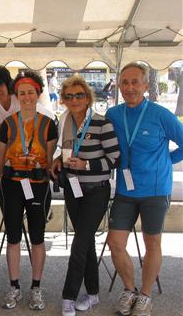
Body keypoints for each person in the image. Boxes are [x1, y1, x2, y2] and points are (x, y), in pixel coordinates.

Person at [105, 62, 183, 316]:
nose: (129, 87)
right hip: (125, 191)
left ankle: (146, 296)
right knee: (115, 243)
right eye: (125, 82)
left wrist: (165, 162)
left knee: (152, 244)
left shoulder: (161, 115)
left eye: (135, 82)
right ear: (119, 85)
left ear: (146, 86)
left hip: (155, 190)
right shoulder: (113, 115)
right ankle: (129, 290)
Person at [50, 76, 120, 316]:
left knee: (79, 244)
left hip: (95, 191)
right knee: (85, 241)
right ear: (63, 100)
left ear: (88, 98)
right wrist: (58, 162)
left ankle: (68, 296)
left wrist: (86, 165)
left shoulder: (102, 123)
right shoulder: (64, 121)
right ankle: (93, 293)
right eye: (68, 96)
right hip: (72, 188)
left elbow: (115, 160)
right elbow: (67, 150)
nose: (74, 100)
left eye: (79, 95)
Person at [0, 71, 58, 311]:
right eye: (21, 93)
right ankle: (14, 286)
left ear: (38, 94)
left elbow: (51, 159)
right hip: (12, 185)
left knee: (37, 237)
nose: (26, 97)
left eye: (30, 92)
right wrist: (6, 177)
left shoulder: (48, 123)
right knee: (13, 237)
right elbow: (1, 160)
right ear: (16, 95)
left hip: (38, 186)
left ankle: (35, 287)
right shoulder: (8, 123)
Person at [0, 66, 55, 182]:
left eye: (0, 84)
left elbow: (28, 139)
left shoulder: (18, 100)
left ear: (7, 84)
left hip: (43, 131)